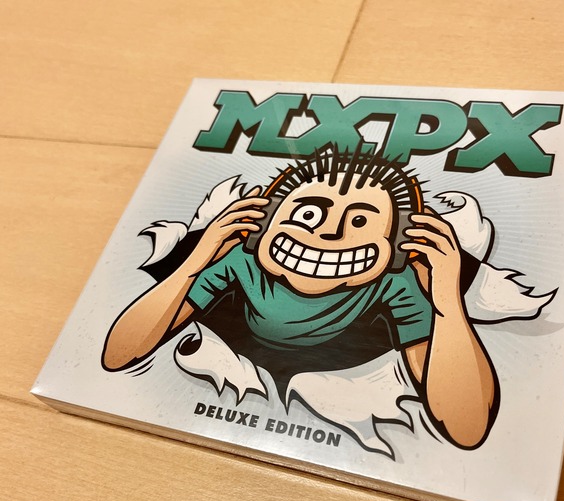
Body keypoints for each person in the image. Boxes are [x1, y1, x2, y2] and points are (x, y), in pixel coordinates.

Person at [102, 146, 499, 448]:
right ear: (261, 224)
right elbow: (120, 354)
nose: (329, 232)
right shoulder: (240, 260)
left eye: (360, 220)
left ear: (396, 248)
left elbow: (466, 427)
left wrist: (447, 297)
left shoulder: (397, 284)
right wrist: (198, 257)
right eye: (308, 214)